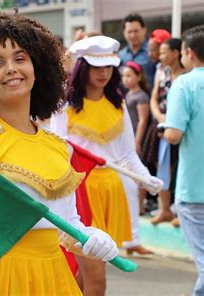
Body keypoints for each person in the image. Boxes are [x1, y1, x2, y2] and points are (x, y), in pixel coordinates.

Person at [0, 11, 119, 295]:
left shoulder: (57, 145)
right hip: (1, 277)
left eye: (20, 58)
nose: (11, 69)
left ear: (37, 69)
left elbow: (68, 224)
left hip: (53, 275)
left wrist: (89, 237)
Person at [50, 36, 162, 296]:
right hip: (78, 193)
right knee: (96, 278)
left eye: (108, 67)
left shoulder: (118, 104)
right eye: (95, 66)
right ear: (83, 67)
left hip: (110, 189)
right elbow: (56, 151)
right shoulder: (64, 106)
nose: (103, 73)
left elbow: (126, 154)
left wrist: (145, 177)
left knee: (83, 275)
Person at [164, 25, 204, 296]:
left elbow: (174, 134)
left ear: (188, 53)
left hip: (194, 189)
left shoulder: (185, 84)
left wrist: (163, 128)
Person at [147, 38, 185, 225]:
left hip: (179, 127)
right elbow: (154, 97)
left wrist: (172, 119)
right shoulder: (161, 71)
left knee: (178, 167)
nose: (160, 56)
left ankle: (179, 211)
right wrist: (159, 117)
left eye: (164, 52)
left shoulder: (186, 75)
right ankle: (164, 209)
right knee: (161, 166)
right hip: (161, 125)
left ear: (176, 53)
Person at [121, 61, 154, 223]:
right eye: (124, 76)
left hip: (137, 138)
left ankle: (140, 205)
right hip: (130, 138)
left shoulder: (141, 96)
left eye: (129, 75)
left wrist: (137, 141)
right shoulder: (128, 95)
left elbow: (142, 120)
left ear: (139, 76)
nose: (126, 79)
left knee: (139, 172)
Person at [119, 14, 156, 87]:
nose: (133, 35)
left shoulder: (153, 52)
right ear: (124, 33)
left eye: (136, 31)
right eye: (129, 32)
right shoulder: (120, 55)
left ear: (144, 30)